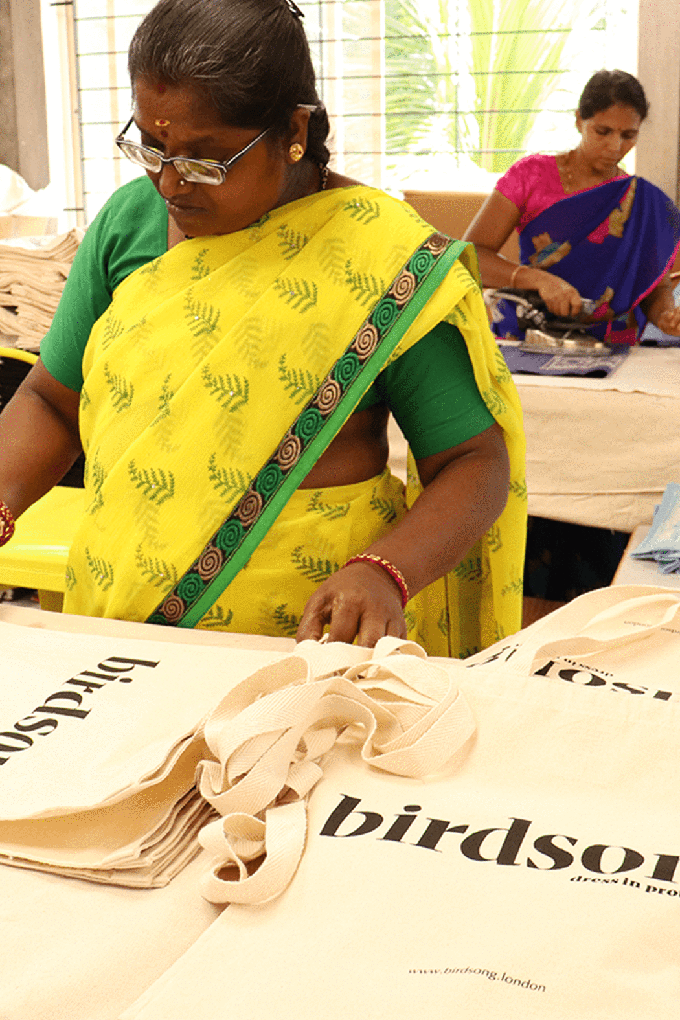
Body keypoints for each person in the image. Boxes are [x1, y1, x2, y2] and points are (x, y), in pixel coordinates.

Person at [0, 0, 526, 657]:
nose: (168, 182)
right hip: (118, 630)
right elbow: (52, 401)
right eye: (151, 147)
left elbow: (473, 463)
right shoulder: (127, 225)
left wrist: (386, 570)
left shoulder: (384, 260)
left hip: (310, 646)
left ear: (294, 131)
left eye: (206, 160)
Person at [464, 69, 680, 343]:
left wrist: (665, 317)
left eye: (628, 135)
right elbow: (470, 257)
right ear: (579, 120)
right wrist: (535, 279)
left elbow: (654, 286)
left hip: (612, 347)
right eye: (603, 131)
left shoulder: (641, 201)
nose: (615, 145)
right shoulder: (530, 177)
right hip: (531, 338)